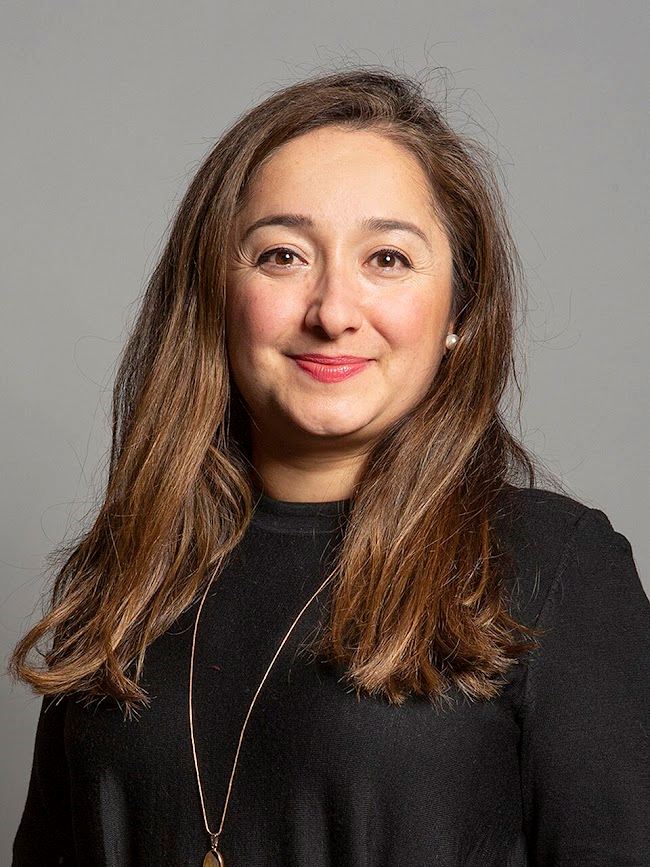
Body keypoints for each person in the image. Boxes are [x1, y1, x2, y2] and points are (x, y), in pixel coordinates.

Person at [8, 67, 649, 867]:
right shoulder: (129, 573)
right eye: (283, 255)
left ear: (460, 310)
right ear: (214, 293)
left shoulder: (555, 569)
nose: (334, 311)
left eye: (388, 258)